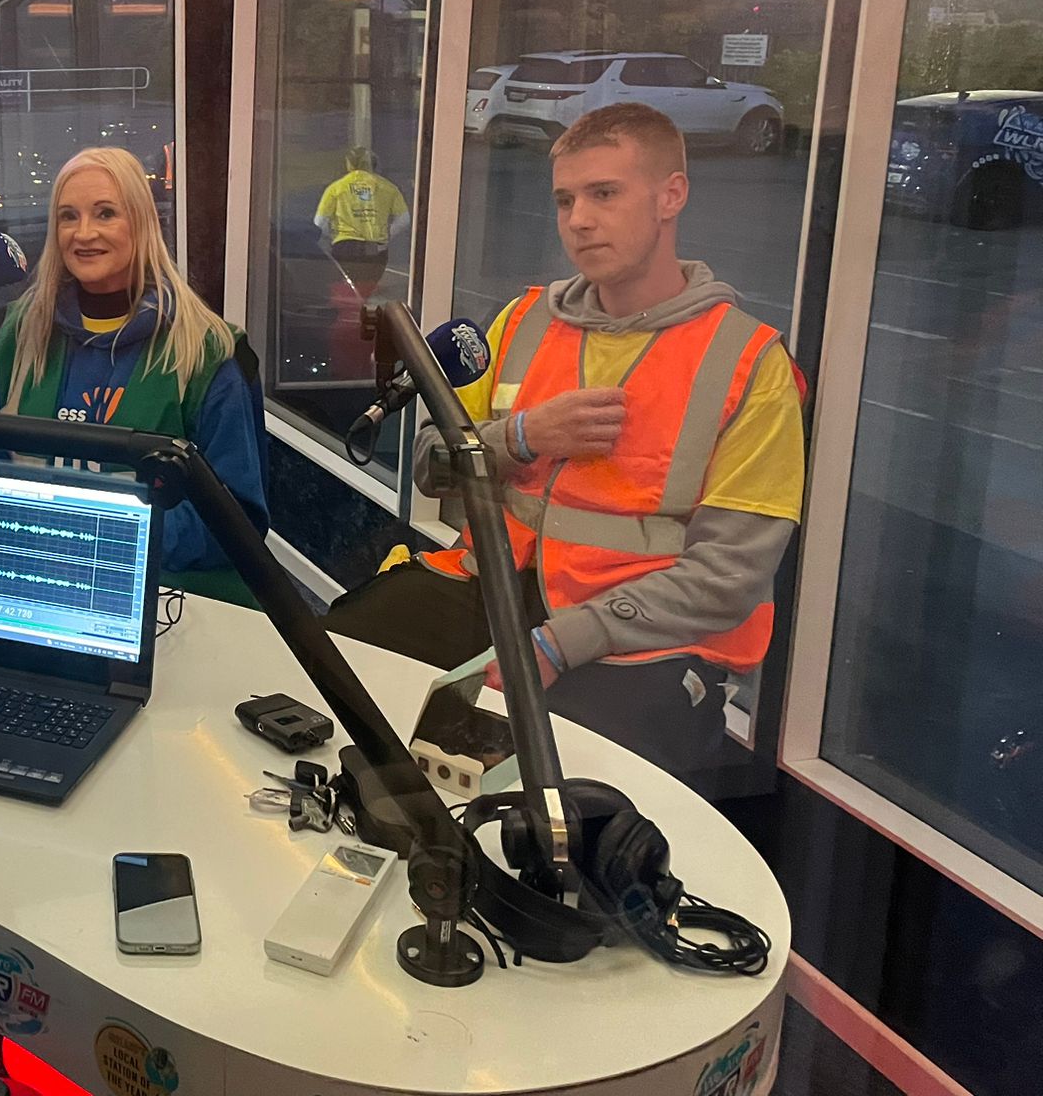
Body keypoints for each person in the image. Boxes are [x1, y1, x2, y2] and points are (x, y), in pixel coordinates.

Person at [324, 104, 805, 778]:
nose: (579, 219)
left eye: (604, 193)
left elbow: (730, 579)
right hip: (489, 587)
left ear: (671, 195)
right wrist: (521, 437)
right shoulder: (521, 321)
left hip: (641, 633)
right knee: (336, 660)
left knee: (571, 784)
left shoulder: (748, 363)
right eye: (565, 200)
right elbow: (432, 466)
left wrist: (561, 642)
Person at [0, 146, 269, 604]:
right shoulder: (21, 335)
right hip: (34, 586)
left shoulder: (206, 351)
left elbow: (236, 520)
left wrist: (98, 543)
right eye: (68, 216)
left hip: (168, 599)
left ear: (141, 223)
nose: (84, 233)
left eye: (105, 213)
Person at [313, 146, 410, 299]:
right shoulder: (389, 188)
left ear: (349, 164)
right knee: (365, 294)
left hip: (344, 247)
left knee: (347, 295)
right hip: (375, 249)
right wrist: (386, 235)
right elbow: (404, 219)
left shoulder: (336, 188)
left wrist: (332, 238)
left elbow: (319, 223)